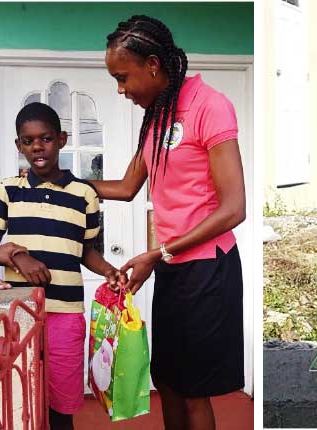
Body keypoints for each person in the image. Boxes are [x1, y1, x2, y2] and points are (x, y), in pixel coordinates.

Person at [91, 15, 246, 430]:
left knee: (193, 389)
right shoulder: (156, 118)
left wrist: (158, 252)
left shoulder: (210, 106)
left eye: (123, 77)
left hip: (208, 269)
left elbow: (234, 208)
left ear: (154, 65)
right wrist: (64, 181)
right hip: (173, 267)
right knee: (169, 382)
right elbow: (126, 187)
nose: (120, 90)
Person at [0, 102, 126, 430]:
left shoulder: (85, 195)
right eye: (28, 140)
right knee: (20, 398)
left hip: (66, 314)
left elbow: (85, 250)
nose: (37, 146)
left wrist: (108, 270)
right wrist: (17, 255)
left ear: (61, 139)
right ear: (19, 145)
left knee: (62, 405)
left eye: (45, 138)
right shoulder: (9, 190)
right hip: (19, 313)